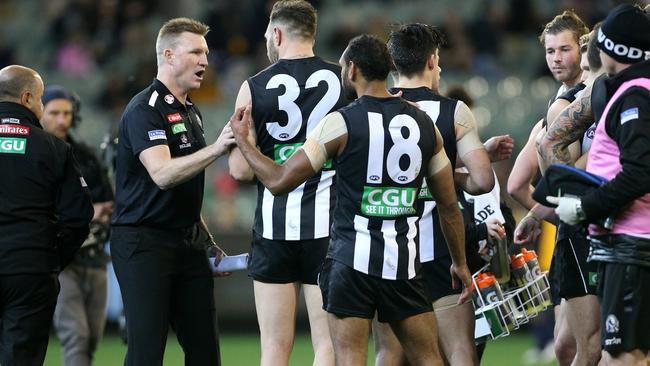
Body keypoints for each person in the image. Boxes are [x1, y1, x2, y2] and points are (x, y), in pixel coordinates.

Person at [230, 34, 472, 366]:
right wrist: (459, 262)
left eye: (344, 66)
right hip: (402, 265)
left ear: (353, 69)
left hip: (350, 264)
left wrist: (243, 142)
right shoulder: (423, 124)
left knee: (349, 359)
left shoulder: (340, 123)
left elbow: (279, 181)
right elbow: (448, 204)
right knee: (429, 359)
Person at [371, 23, 505, 366]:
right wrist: (446, 178)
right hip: (440, 251)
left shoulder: (369, 110)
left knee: (389, 353)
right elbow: (483, 181)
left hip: (387, 249)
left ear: (393, 63)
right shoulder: (453, 111)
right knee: (459, 349)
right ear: (432, 61)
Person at [227, 2, 348, 364]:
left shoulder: (253, 87)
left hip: (274, 229)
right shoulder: (343, 80)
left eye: (268, 33)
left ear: (277, 34)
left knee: (274, 348)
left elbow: (239, 171)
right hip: (329, 230)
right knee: (327, 345)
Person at [110, 18, 234, 366]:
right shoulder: (144, 109)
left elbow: (184, 190)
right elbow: (163, 175)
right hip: (144, 243)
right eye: (195, 52)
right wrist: (217, 148)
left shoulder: (190, 110)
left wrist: (207, 240)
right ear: (168, 55)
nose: (205, 61)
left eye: (206, 53)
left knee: (206, 352)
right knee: (147, 351)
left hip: (187, 242)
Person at [548, 5, 650, 365]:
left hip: (631, 242)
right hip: (625, 239)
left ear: (613, 51)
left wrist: (584, 205)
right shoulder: (632, 90)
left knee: (621, 355)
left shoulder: (634, 96)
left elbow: (639, 173)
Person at [507, 10, 588, 365]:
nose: (556, 58)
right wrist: (554, 215)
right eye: (550, 51)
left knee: (584, 345)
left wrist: (542, 213)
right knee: (567, 345)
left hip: (599, 227)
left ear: (584, 50)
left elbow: (584, 166)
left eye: (564, 49)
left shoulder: (589, 96)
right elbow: (515, 183)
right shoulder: (562, 100)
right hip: (582, 226)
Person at [0, 65, 93, 366]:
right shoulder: (54, 148)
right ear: (27, 98)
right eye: (40, 100)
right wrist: (50, 259)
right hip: (30, 268)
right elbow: (79, 217)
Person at [40, 85, 114, 366]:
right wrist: (87, 212)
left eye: (67, 113)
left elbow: (109, 198)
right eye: (54, 113)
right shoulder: (34, 154)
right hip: (61, 261)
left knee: (92, 338)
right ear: (40, 113)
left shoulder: (85, 155)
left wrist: (105, 210)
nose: (62, 120)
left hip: (95, 257)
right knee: (77, 337)